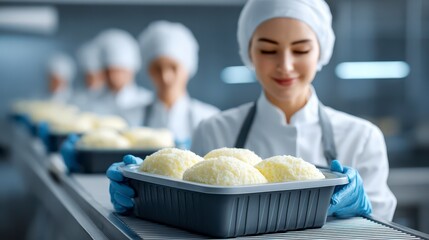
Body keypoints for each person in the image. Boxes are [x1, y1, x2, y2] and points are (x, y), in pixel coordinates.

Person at [106, 0, 396, 221]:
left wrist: (365, 209)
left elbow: (383, 231)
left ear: (321, 51)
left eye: (301, 50)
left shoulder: (362, 137)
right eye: (268, 50)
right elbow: (187, 218)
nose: (285, 65)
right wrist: (143, 198)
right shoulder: (215, 130)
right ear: (249, 53)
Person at [137, 21, 219, 149]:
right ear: (148, 71)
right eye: (157, 68)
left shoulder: (210, 118)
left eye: (173, 67)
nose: (165, 77)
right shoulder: (131, 116)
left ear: (188, 68)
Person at [94, 28, 153, 124]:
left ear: (130, 71)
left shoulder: (146, 102)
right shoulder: (93, 103)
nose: (112, 77)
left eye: (118, 71)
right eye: (108, 72)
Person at [73, 40, 106, 112]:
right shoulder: (78, 98)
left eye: (96, 76)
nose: (91, 81)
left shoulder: (111, 98)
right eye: (88, 77)